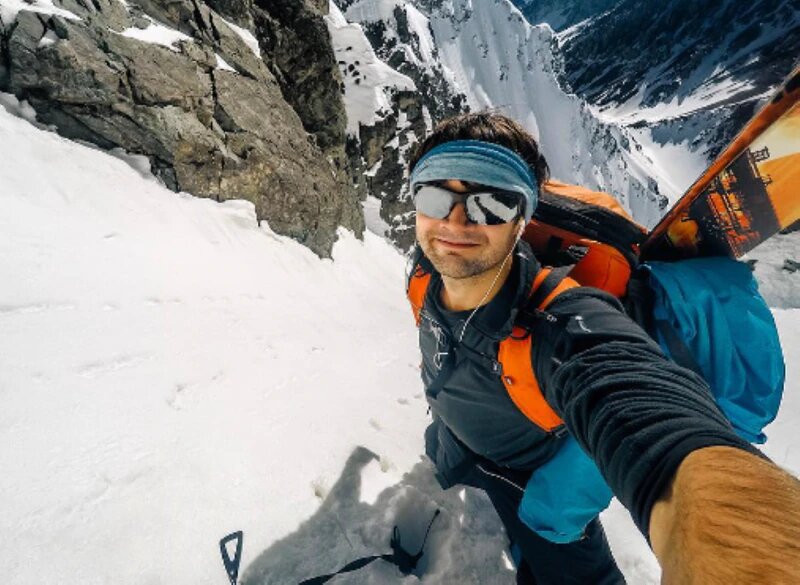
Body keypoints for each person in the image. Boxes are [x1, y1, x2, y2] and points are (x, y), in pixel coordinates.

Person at [406, 111, 800, 583]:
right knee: (447, 461)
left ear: (521, 219)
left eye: (489, 205)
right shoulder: (425, 268)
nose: (454, 222)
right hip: (457, 433)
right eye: (434, 195)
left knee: (561, 558)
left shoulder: (564, 322)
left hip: (533, 471)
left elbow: (653, 422)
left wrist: (743, 554)